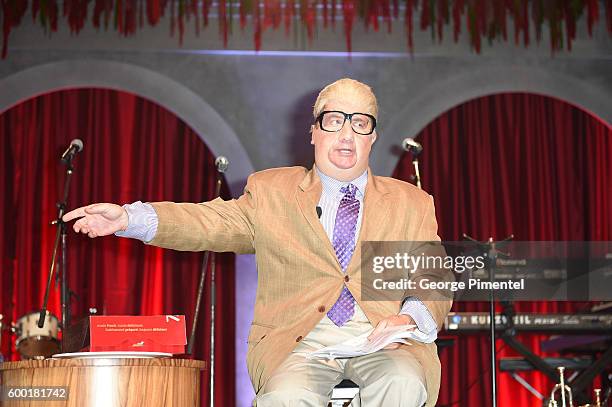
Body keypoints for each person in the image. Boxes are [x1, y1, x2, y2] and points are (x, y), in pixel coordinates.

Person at [63, 78, 452, 406]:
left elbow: (433, 279)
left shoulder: (410, 202)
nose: (347, 134)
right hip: (299, 344)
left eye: (360, 123)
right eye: (334, 120)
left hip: (385, 344)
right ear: (314, 132)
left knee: (403, 384)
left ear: (373, 137)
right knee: (284, 398)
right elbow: (208, 221)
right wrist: (131, 217)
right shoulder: (272, 191)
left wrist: (408, 317)